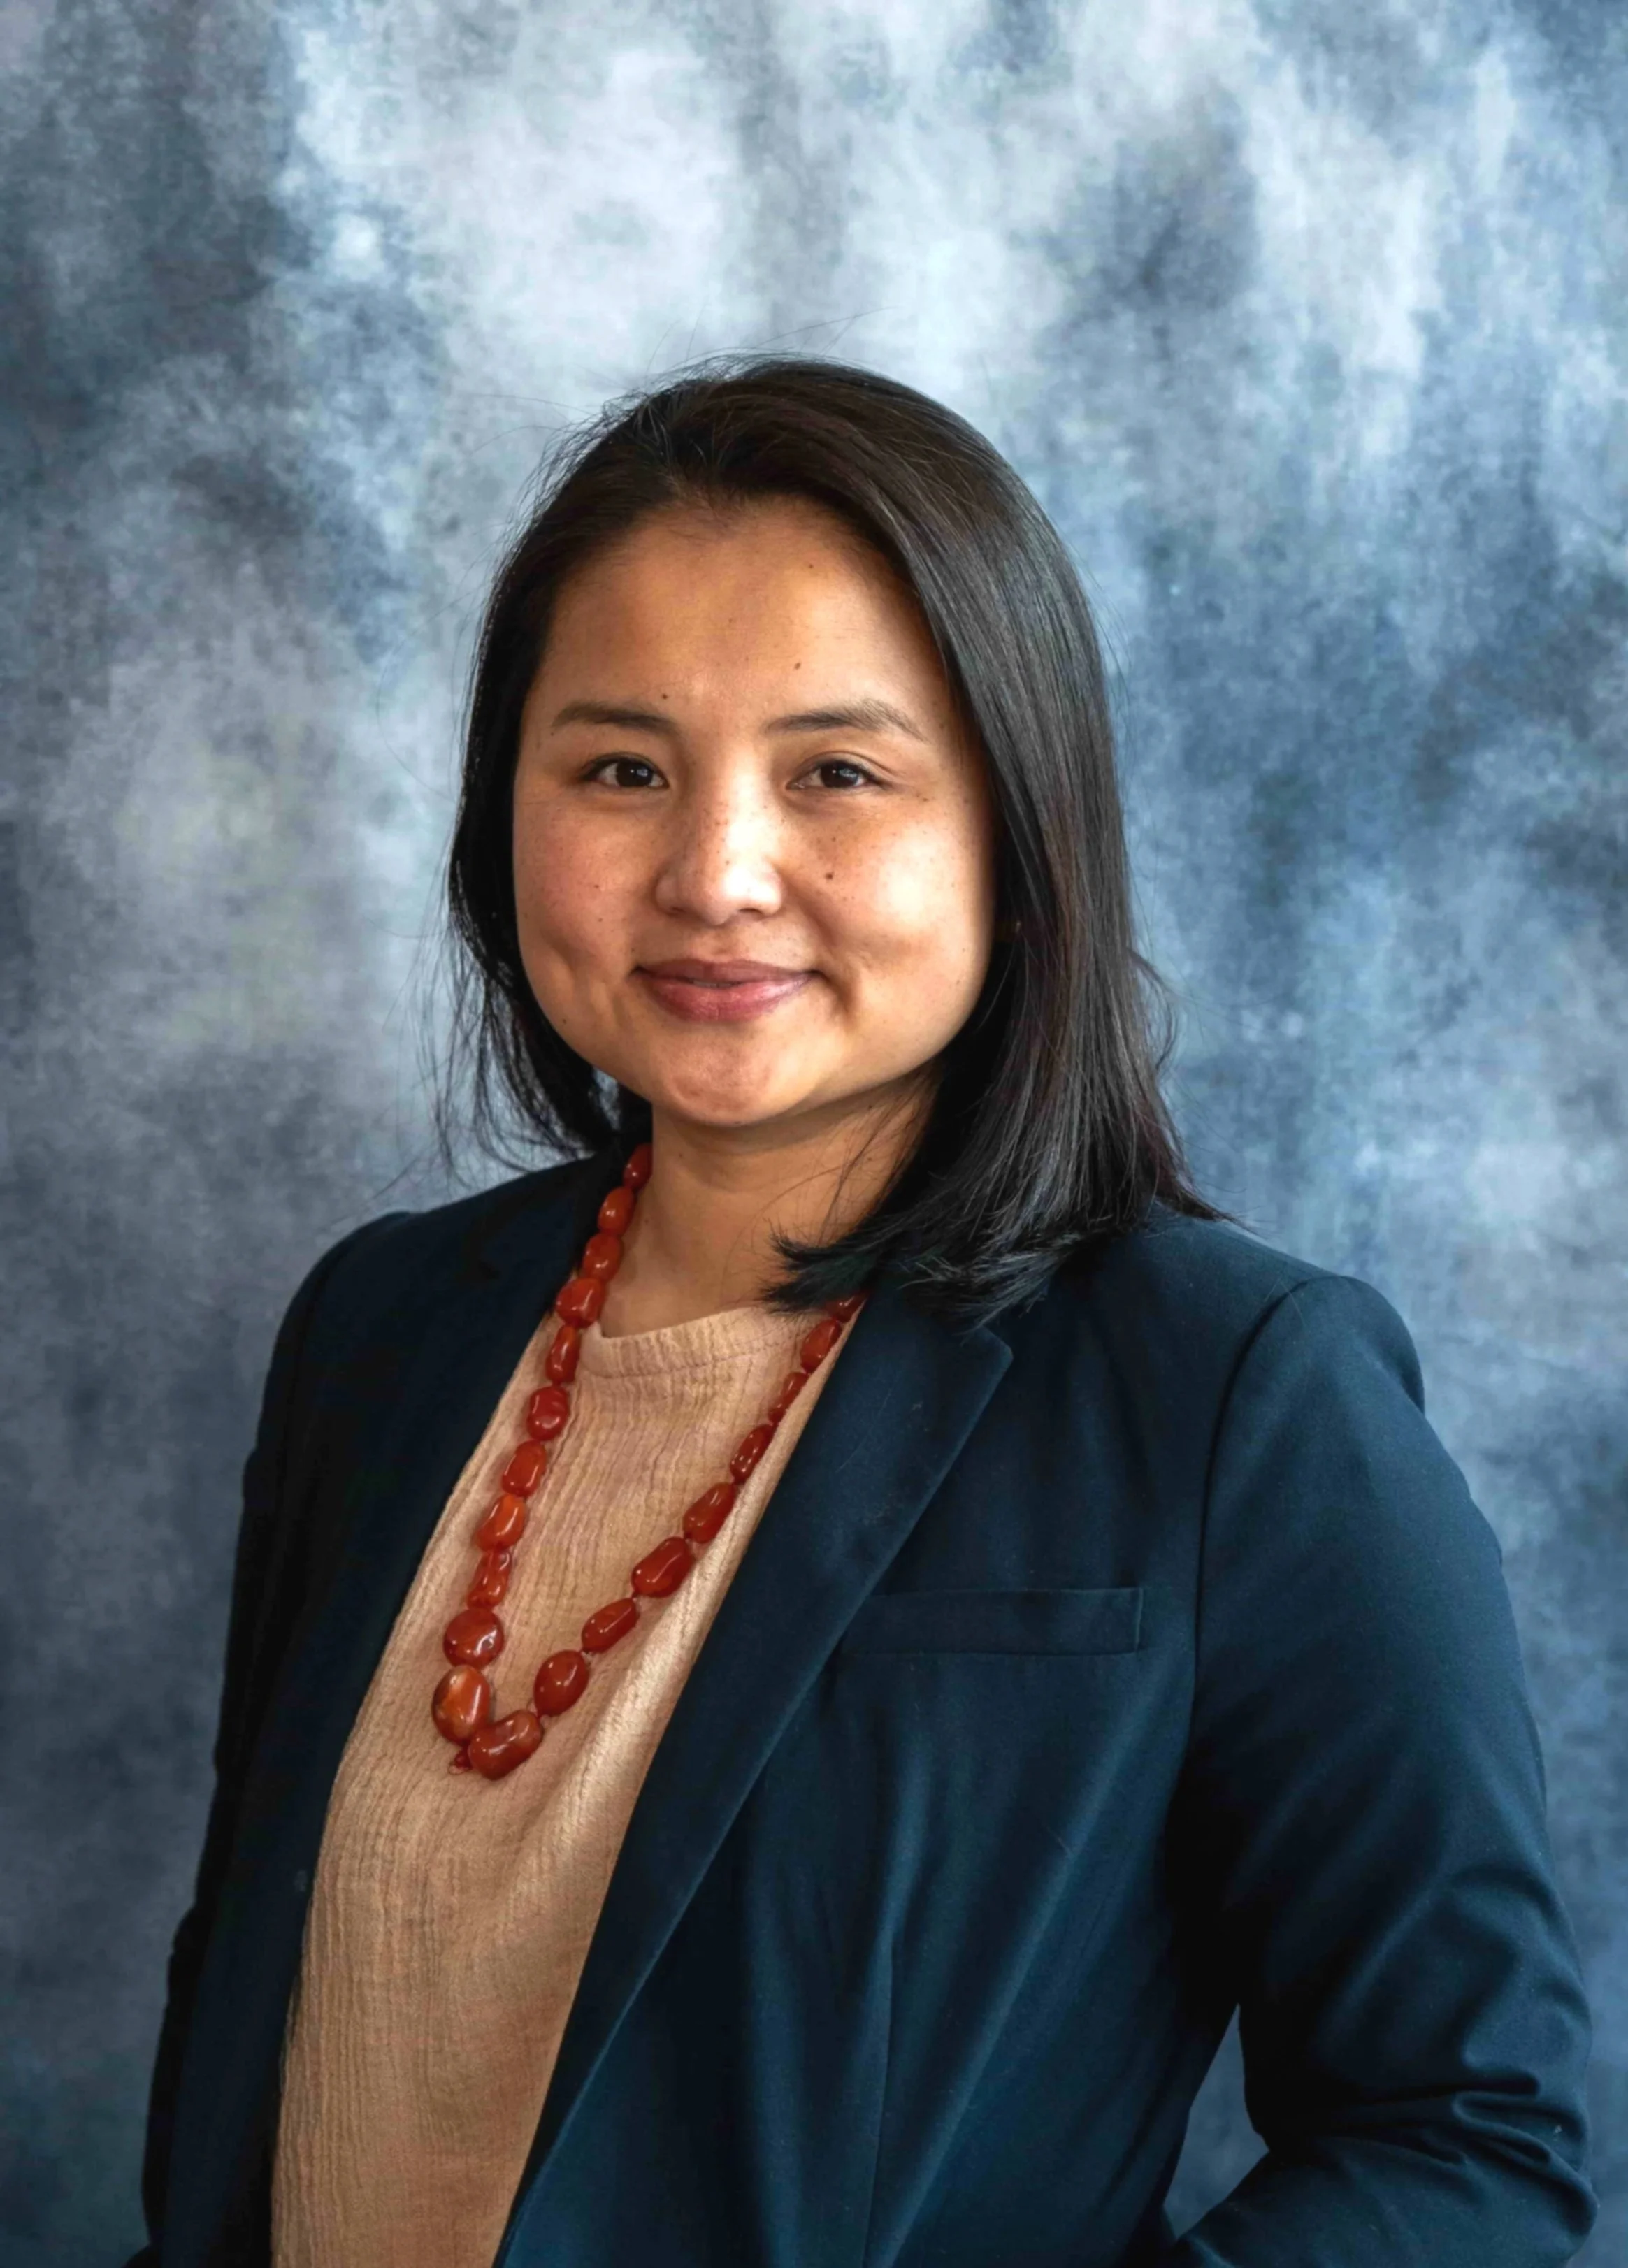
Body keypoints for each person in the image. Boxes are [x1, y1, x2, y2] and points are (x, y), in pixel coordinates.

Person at [132, 358, 1596, 2268]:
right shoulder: (379, 1329)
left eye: (836, 771)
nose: (715, 873)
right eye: (619, 767)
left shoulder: (1240, 1390)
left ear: (1014, 826)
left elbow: (1471, 2135)